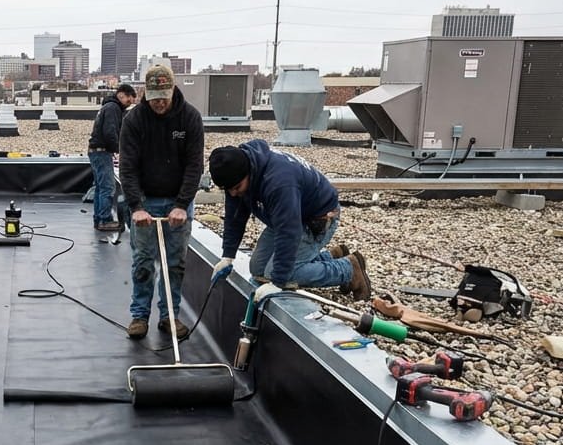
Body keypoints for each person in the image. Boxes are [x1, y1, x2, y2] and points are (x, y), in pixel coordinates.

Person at [208, 141, 371, 301]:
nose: (234, 193)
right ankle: (330, 257)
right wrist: (227, 256)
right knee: (258, 270)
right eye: (229, 190)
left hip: (316, 219)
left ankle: (349, 269)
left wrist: (278, 282)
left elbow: (289, 232)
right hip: (284, 217)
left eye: (237, 187)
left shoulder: (279, 182)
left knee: (283, 275)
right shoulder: (239, 171)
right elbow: (234, 217)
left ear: (249, 172)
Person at [118, 65, 204, 340]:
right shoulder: (134, 120)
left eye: (163, 96)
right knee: (143, 261)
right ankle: (139, 316)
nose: (159, 102)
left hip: (177, 202)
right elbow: (128, 168)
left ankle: (169, 316)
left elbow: (194, 166)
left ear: (172, 90)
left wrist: (182, 203)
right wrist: (136, 207)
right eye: (154, 97)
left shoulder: (189, 118)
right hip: (146, 200)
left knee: (175, 263)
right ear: (146, 93)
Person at [87, 83, 137, 232]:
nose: (128, 105)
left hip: (96, 151)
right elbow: (110, 132)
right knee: (108, 187)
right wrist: (119, 151)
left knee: (100, 187)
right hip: (102, 152)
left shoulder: (108, 107)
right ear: (122, 95)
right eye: (128, 101)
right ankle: (104, 220)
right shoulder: (113, 108)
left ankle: (99, 218)